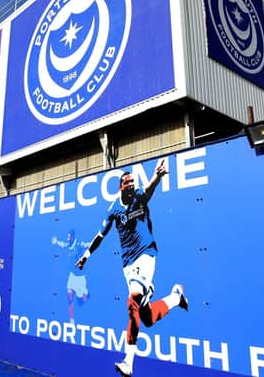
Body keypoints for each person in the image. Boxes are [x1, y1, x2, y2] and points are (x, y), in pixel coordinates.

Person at [76, 160, 188, 377]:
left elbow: (148, 189)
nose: (130, 185)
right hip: (128, 265)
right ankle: (175, 298)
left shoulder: (139, 196)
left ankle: (128, 362)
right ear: (120, 187)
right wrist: (86, 256)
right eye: (126, 183)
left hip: (147, 254)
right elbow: (100, 236)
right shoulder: (113, 209)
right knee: (145, 318)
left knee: (132, 302)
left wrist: (157, 176)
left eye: (132, 182)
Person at [52, 229, 89, 324]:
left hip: (81, 279)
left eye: (69, 237)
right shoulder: (68, 245)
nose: (68, 239)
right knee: (70, 298)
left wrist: (95, 243)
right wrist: (56, 242)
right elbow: (63, 244)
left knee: (81, 303)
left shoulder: (79, 245)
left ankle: (86, 293)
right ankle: (72, 321)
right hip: (72, 277)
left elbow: (88, 245)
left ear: (73, 237)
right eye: (67, 237)